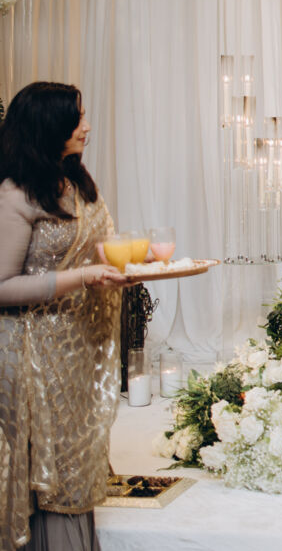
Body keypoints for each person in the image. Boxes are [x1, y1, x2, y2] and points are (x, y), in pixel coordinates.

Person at [0, 82, 131, 550]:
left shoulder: (76, 184)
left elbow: (98, 249)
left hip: (75, 350)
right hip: (29, 356)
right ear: (46, 127)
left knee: (73, 459)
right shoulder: (15, 194)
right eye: (76, 120)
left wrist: (123, 269)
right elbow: (2, 286)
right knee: (48, 468)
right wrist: (83, 277)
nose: (87, 127)